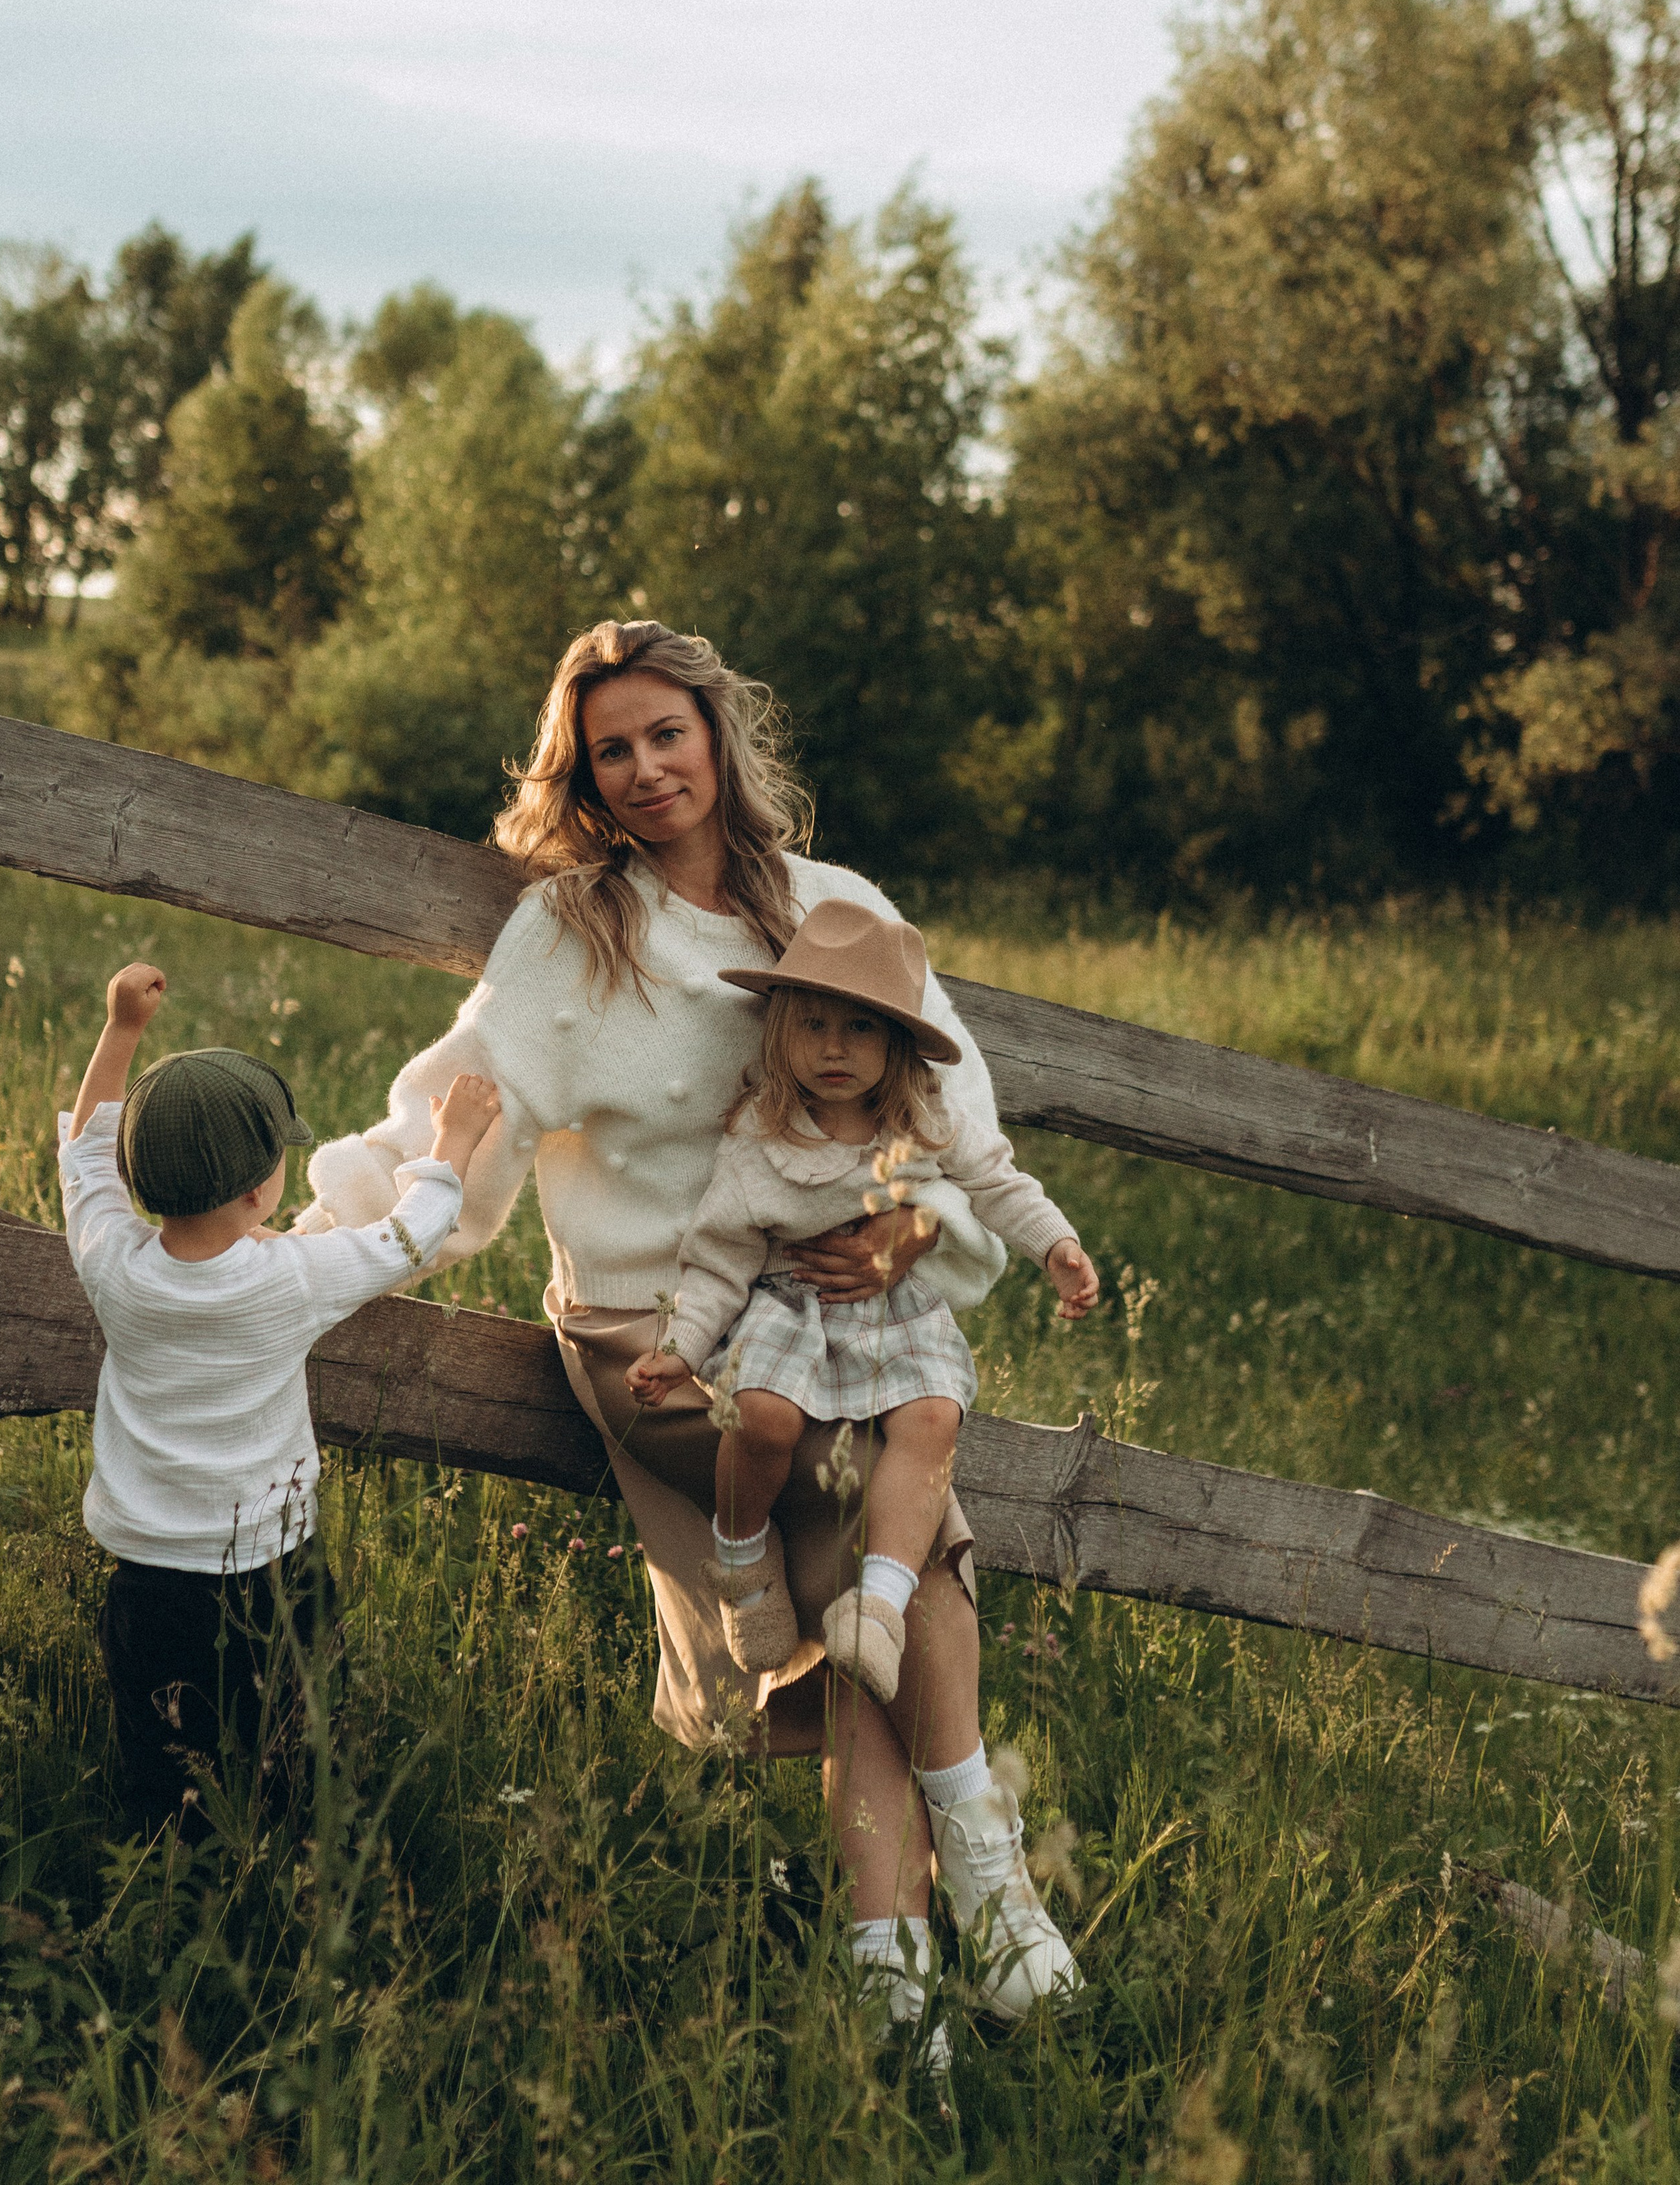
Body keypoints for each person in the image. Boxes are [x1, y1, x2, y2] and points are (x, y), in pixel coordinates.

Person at [299, 619, 1101, 2032]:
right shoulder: (572, 936)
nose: (646, 766)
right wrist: (307, 1254)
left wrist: (918, 1228)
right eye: (612, 749)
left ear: (718, 739)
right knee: (885, 1530)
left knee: (879, 1598)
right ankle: (988, 1880)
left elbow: (951, 1113)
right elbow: (455, 1106)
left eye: (666, 732)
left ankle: (906, 1969)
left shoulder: (834, 909)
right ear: (586, 783)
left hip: (827, 1320)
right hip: (646, 1335)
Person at [60, 957, 500, 1836]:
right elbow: (410, 1237)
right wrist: (451, 1141)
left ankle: (169, 1883)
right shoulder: (292, 1276)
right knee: (296, 1736)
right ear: (263, 1188)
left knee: (161, 1757)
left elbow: (82, 1152)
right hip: (272, 1568)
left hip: (147, 1577)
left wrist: (119, 1030)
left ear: (136, 1175)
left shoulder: (109, 1261)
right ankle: (293, 1858)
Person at [623, 899, 1091, 1713]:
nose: (834, 1048)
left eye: (861, 1029)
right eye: (812, 1025)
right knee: (761, 1417)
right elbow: (719, 1258)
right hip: (788, 1305)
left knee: (933, 1419)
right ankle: (740, 1559)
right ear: (779, 1032)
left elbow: (999, 1186)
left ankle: (878, 1604)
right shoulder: (761, 1134)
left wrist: (1056, 1247)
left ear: (899, 1044)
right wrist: (681, 1344)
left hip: (894, 1310)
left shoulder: (925, 1120)